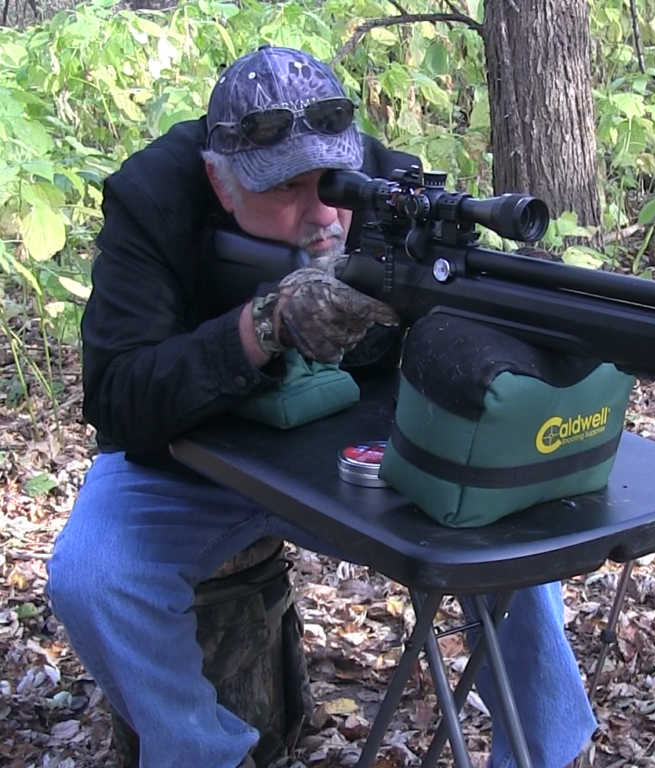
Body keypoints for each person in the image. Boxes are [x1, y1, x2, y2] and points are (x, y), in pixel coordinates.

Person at [44, 45, 597, 768]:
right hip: (191, 465)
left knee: (508, 546)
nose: (323, 215)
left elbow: (466, 341)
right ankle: (200, 750)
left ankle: (544, 753)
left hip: (365, 451)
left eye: (333, 181)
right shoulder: (153, 198)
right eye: (286, 189)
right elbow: (116, 401)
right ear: (220, 180)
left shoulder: (392, 186)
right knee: (91, 575)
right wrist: (261, 325)